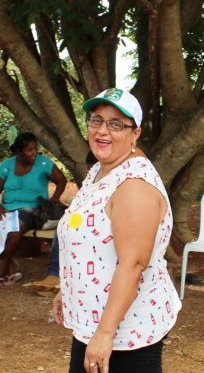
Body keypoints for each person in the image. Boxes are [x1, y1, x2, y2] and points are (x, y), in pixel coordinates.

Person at [53, 88, 181, 373]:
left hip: (125, 335)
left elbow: (133, 264)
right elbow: (90, 239)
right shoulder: (101, 171)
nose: (102, 131)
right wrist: (69, 289)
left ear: (135, 133)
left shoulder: (134, 185)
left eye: (116, 124)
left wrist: (105, 334)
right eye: (96, 120)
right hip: (94, 324)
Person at [0, 132, 67, 285]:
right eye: (29, 150)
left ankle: (4, 265)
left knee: (16, 226)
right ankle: (10, 268)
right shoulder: (7, 166)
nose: (34, 152)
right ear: (18, 151)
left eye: (35, 149)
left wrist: (55, 198)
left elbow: (61, 179)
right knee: (6, 223)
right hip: (8, 209)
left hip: (33, 209)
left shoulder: (43, 163)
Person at [32, 151, 99, 297]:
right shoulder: (93, 181)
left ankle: (65, 276)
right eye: (90, 169)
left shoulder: (120, 181)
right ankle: (56, 275)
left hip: (104, 224)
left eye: (93, 168)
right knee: (64, 226)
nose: (91, 172)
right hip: (88, 219)